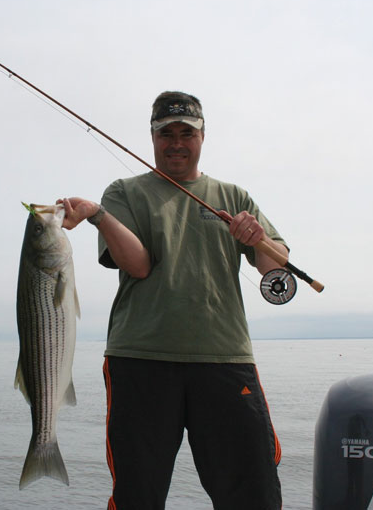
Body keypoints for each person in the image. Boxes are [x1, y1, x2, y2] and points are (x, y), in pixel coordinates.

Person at [59, 91, 286, 509]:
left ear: (203, 137)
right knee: (137, 495)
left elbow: (275, 267)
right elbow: (139, 265)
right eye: (167, 133)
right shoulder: (124, 192)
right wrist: (97, 214)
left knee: (253, 492)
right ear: (152, 137)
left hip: (224, 359)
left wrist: (260, 241)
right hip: (141, 359)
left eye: (187, 133)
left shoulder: (234, 197)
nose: (177, 142)